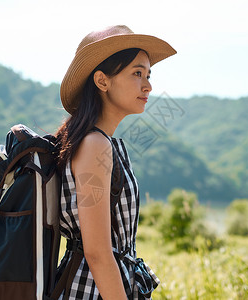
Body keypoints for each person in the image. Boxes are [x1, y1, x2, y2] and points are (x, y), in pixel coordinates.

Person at [54, 25, 176, 299]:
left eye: (148, 74)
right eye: (137, 73)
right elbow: (97, 252)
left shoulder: (96, 143)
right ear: (102, 81)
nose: (148, 85)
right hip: (90, 290)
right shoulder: (94, 145)